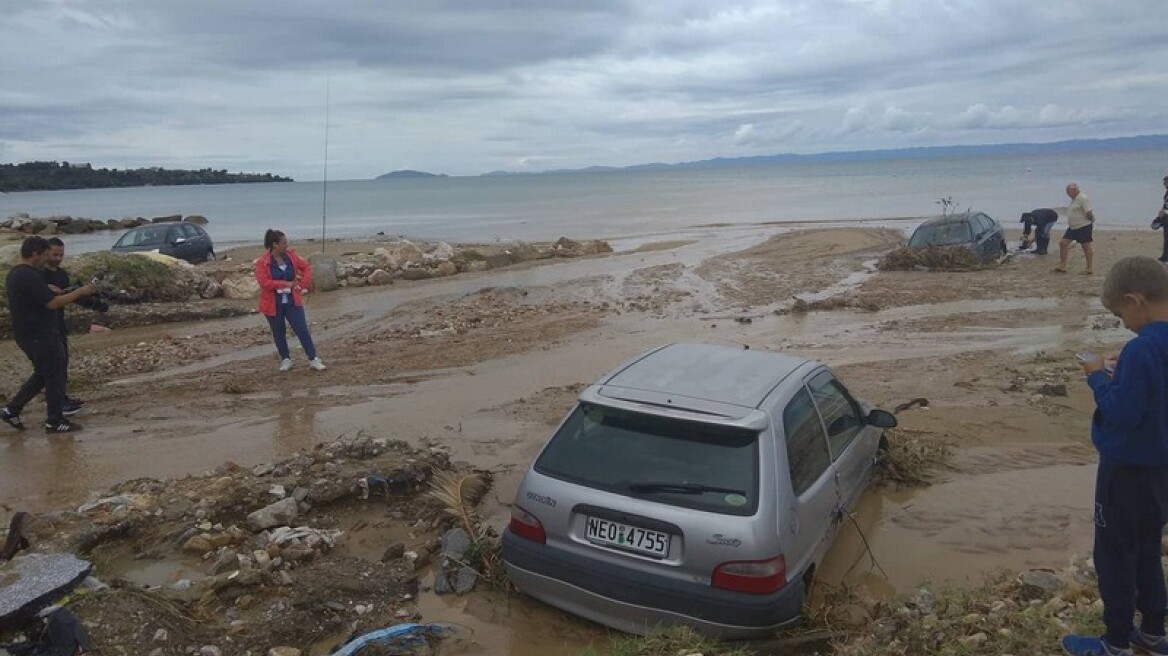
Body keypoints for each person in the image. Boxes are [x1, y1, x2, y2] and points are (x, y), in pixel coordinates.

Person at [1061, 256, 1168, 656]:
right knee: (1146, 550)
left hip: (1125, 474)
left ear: (1134, 300)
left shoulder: (1141, 350)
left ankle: (1116, 642)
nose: (1122, 322)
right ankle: (1154, 633)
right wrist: (1124, 376)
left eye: (1120, 314)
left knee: (1114, 556)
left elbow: (1122, 413)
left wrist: (1095, 375)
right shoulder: (1152, 351)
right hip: (1161, 472)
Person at [0, 237, 96, 434]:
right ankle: (54, 420)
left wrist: (47, 289)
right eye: (45, 255)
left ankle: (12, 409)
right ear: (35, 254)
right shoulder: (27, 275)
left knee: (44, 374)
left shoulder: (18, 274)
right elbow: (52, 303)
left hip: (29, 333)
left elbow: (37, 296)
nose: (46, 259)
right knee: (54, 375)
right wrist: (80, 292)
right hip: (38, 334)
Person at [255, 229, 326, 372]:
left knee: (301, 329)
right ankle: (285, 359)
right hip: (273, 303)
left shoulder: (292, 256)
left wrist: (302, 284)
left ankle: (313, 359)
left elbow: (306, 267)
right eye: (284, 243)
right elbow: (265, 283)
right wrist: (284, 284)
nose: (286, 245)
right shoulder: (263, 262)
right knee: (278, 332)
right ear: (274, 245)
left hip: (292, 300)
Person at [43, 238, 86, 416]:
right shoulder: (38, 274)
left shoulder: (61, 273)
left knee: (63, 361)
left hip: (59, 322)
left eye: (61, 254)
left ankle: (62, 397)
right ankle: (56, 403)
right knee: (53, 366)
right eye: (55, 254)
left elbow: (68, 295)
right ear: (46, 253)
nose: (58, 258)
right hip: (44, 326)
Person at [1056, 182, 1096, 274]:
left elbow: (1089, 212)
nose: (1068, 194)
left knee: (1086, 246)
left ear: (1074, 190)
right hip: (1073, 227)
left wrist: (1091, 219)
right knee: (1063, 243)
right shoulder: (1074, 199)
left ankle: (1089, 268)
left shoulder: (1083, 198)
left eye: (1068, 192)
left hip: (1083, 226)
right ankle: (1062, 266)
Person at [1151, 174, 1168, 263]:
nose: (1164, 184)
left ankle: (1165, 257)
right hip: (1165, 217)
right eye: (1164, 182)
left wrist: (1165, 213)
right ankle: (1165, 256)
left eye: (1166, 182)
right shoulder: (1167, 193)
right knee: (1166, 238)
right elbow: (1165, 205)